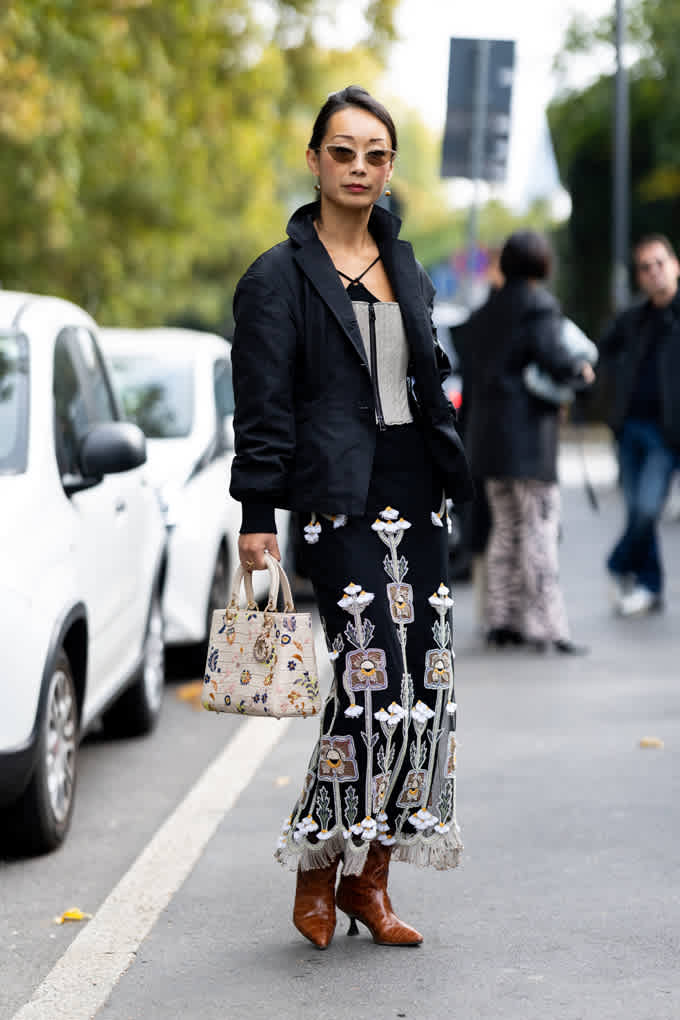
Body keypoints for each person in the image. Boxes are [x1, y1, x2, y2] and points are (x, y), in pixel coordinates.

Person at [229, 86, 472, 950]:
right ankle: (317, 866)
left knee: (426, 691)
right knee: (370, 683)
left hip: (419, 494)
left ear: (389, 166)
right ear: (314, 159)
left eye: (377, 154)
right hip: (338, 501)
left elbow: (428, 374)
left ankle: (374, 879)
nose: (360, 167)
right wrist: (259, 511)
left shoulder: (406, 263)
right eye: (344, 151)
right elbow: (261, 407)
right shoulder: (275, 278)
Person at [457, 230, 594, 653]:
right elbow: (554, 358)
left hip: (487, 441)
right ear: (542, 264)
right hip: (529, 442)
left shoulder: (482, 316)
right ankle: (548, 626)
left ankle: (501, 620)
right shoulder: (539, 306)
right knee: (539, 529)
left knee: (504, 529)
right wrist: (582, 372)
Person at [599, 234, 680, 615]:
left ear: (674, 265)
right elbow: (601, 356)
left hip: (667, 434)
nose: (653, 272)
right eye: (645, 267)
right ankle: (650, 585)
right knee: (636, 510)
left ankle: (617, 563)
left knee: (649, 508)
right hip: (629, 428)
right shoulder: (633, 319)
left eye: (659, 263)